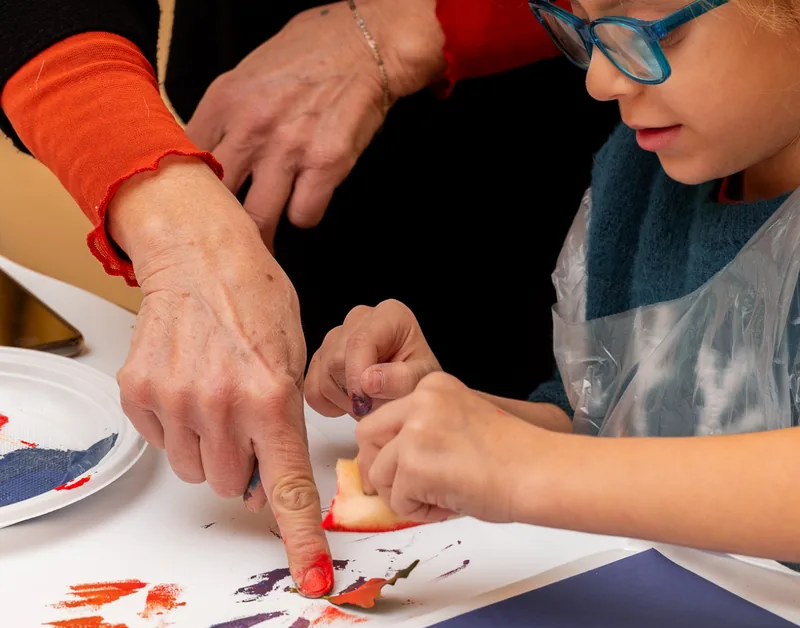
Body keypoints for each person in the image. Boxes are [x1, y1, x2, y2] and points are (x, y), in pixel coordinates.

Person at [0, 0, 618, 595]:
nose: (605, 77)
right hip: (274, 166)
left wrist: (427, 22)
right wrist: (179, 227)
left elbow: (622, 426)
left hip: (521, 196)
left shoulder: (630, 157)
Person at [305, 0, 800, 566]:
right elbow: (602, 426)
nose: (599, 81)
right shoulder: (639, 180)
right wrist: (449, 422)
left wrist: (523, 469)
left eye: (644, 31)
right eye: (586, 29)